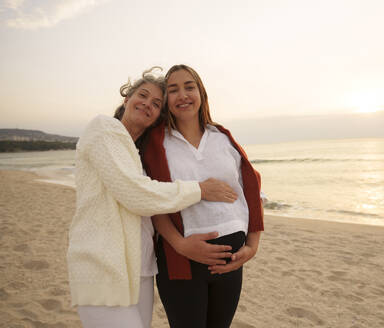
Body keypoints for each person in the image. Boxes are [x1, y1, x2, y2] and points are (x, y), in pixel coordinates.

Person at [67, 67, 239, 328]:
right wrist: (199, 190)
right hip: (102, 268)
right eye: (142, 95)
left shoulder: (139, 154)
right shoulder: (103, 128)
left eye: (156, 103)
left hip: (140, 271)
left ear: (159, 115)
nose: (147, 104)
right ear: (127, 100)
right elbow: (136, 194)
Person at [143, 64, 264, 328]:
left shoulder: (222, 137)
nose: (182, 95)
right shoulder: (157, 142)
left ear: (201, 93)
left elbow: (252, 186)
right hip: (182, 259)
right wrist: (180, 244)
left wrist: (253, 245)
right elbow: (154, 201)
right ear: (165, 101)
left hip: (230, 262)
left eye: (189, 86)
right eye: (173, 90)